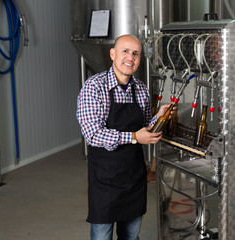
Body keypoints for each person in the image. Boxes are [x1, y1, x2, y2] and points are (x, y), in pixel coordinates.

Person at [76, 34, 175, 240]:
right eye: (125, 51)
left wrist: (160, 116)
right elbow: (92, 134)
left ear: (139, 59)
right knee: (102, 236)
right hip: (105, 179)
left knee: (130, 236)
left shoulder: (140, 90)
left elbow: (145, 125)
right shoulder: (94, 87)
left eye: (136, 53)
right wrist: (133, 137)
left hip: (133, 177)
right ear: (113, 54)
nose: (130, 58)